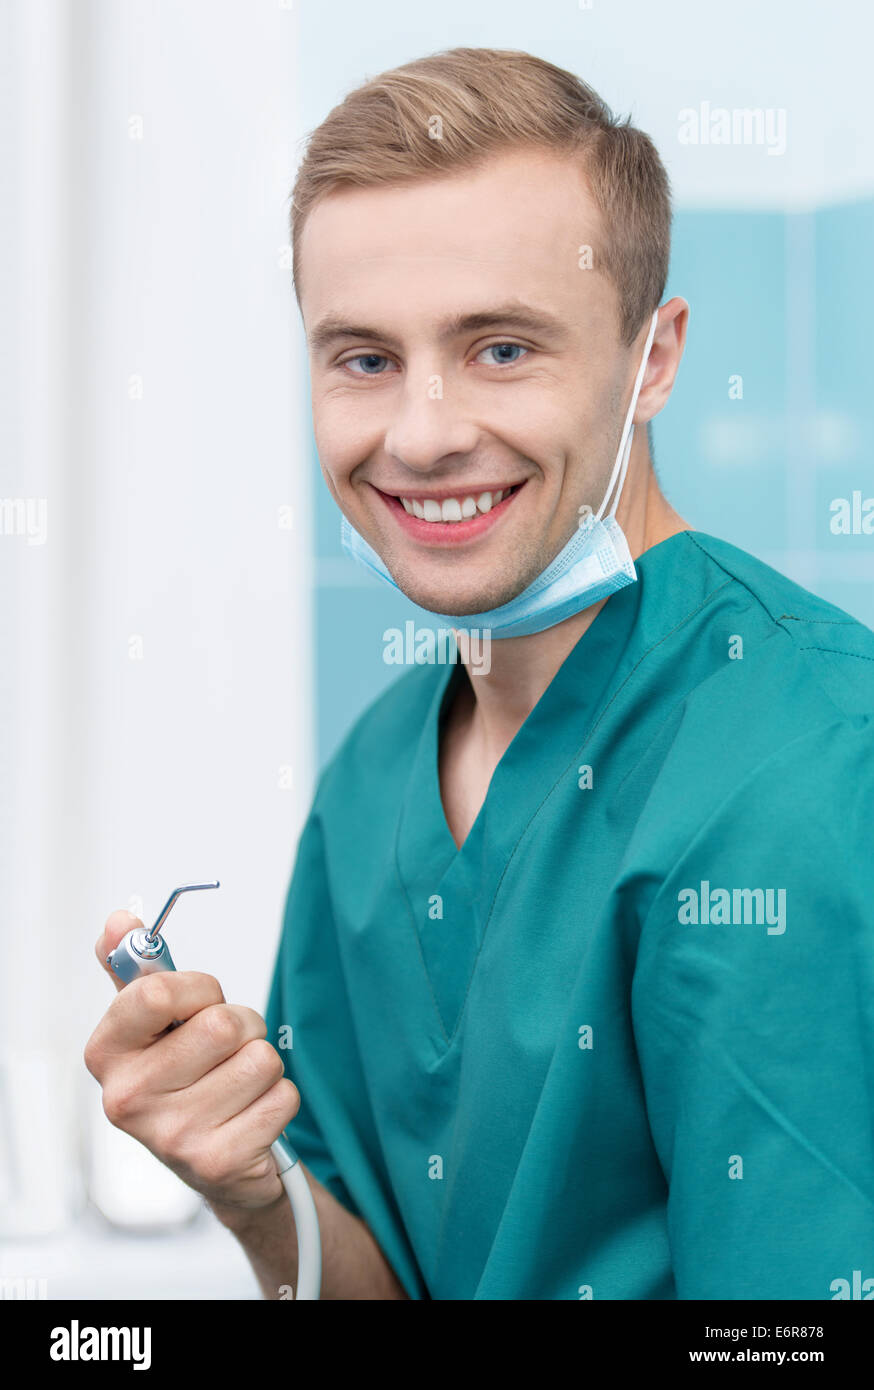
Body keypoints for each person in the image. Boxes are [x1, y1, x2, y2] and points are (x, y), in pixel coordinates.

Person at [85, 47, 874, 1301]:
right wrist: (255, 1193)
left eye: (502, 349)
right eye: (363, 358)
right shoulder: (376, 773)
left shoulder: (814, 760)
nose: (422, 432)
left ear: (652, 359)